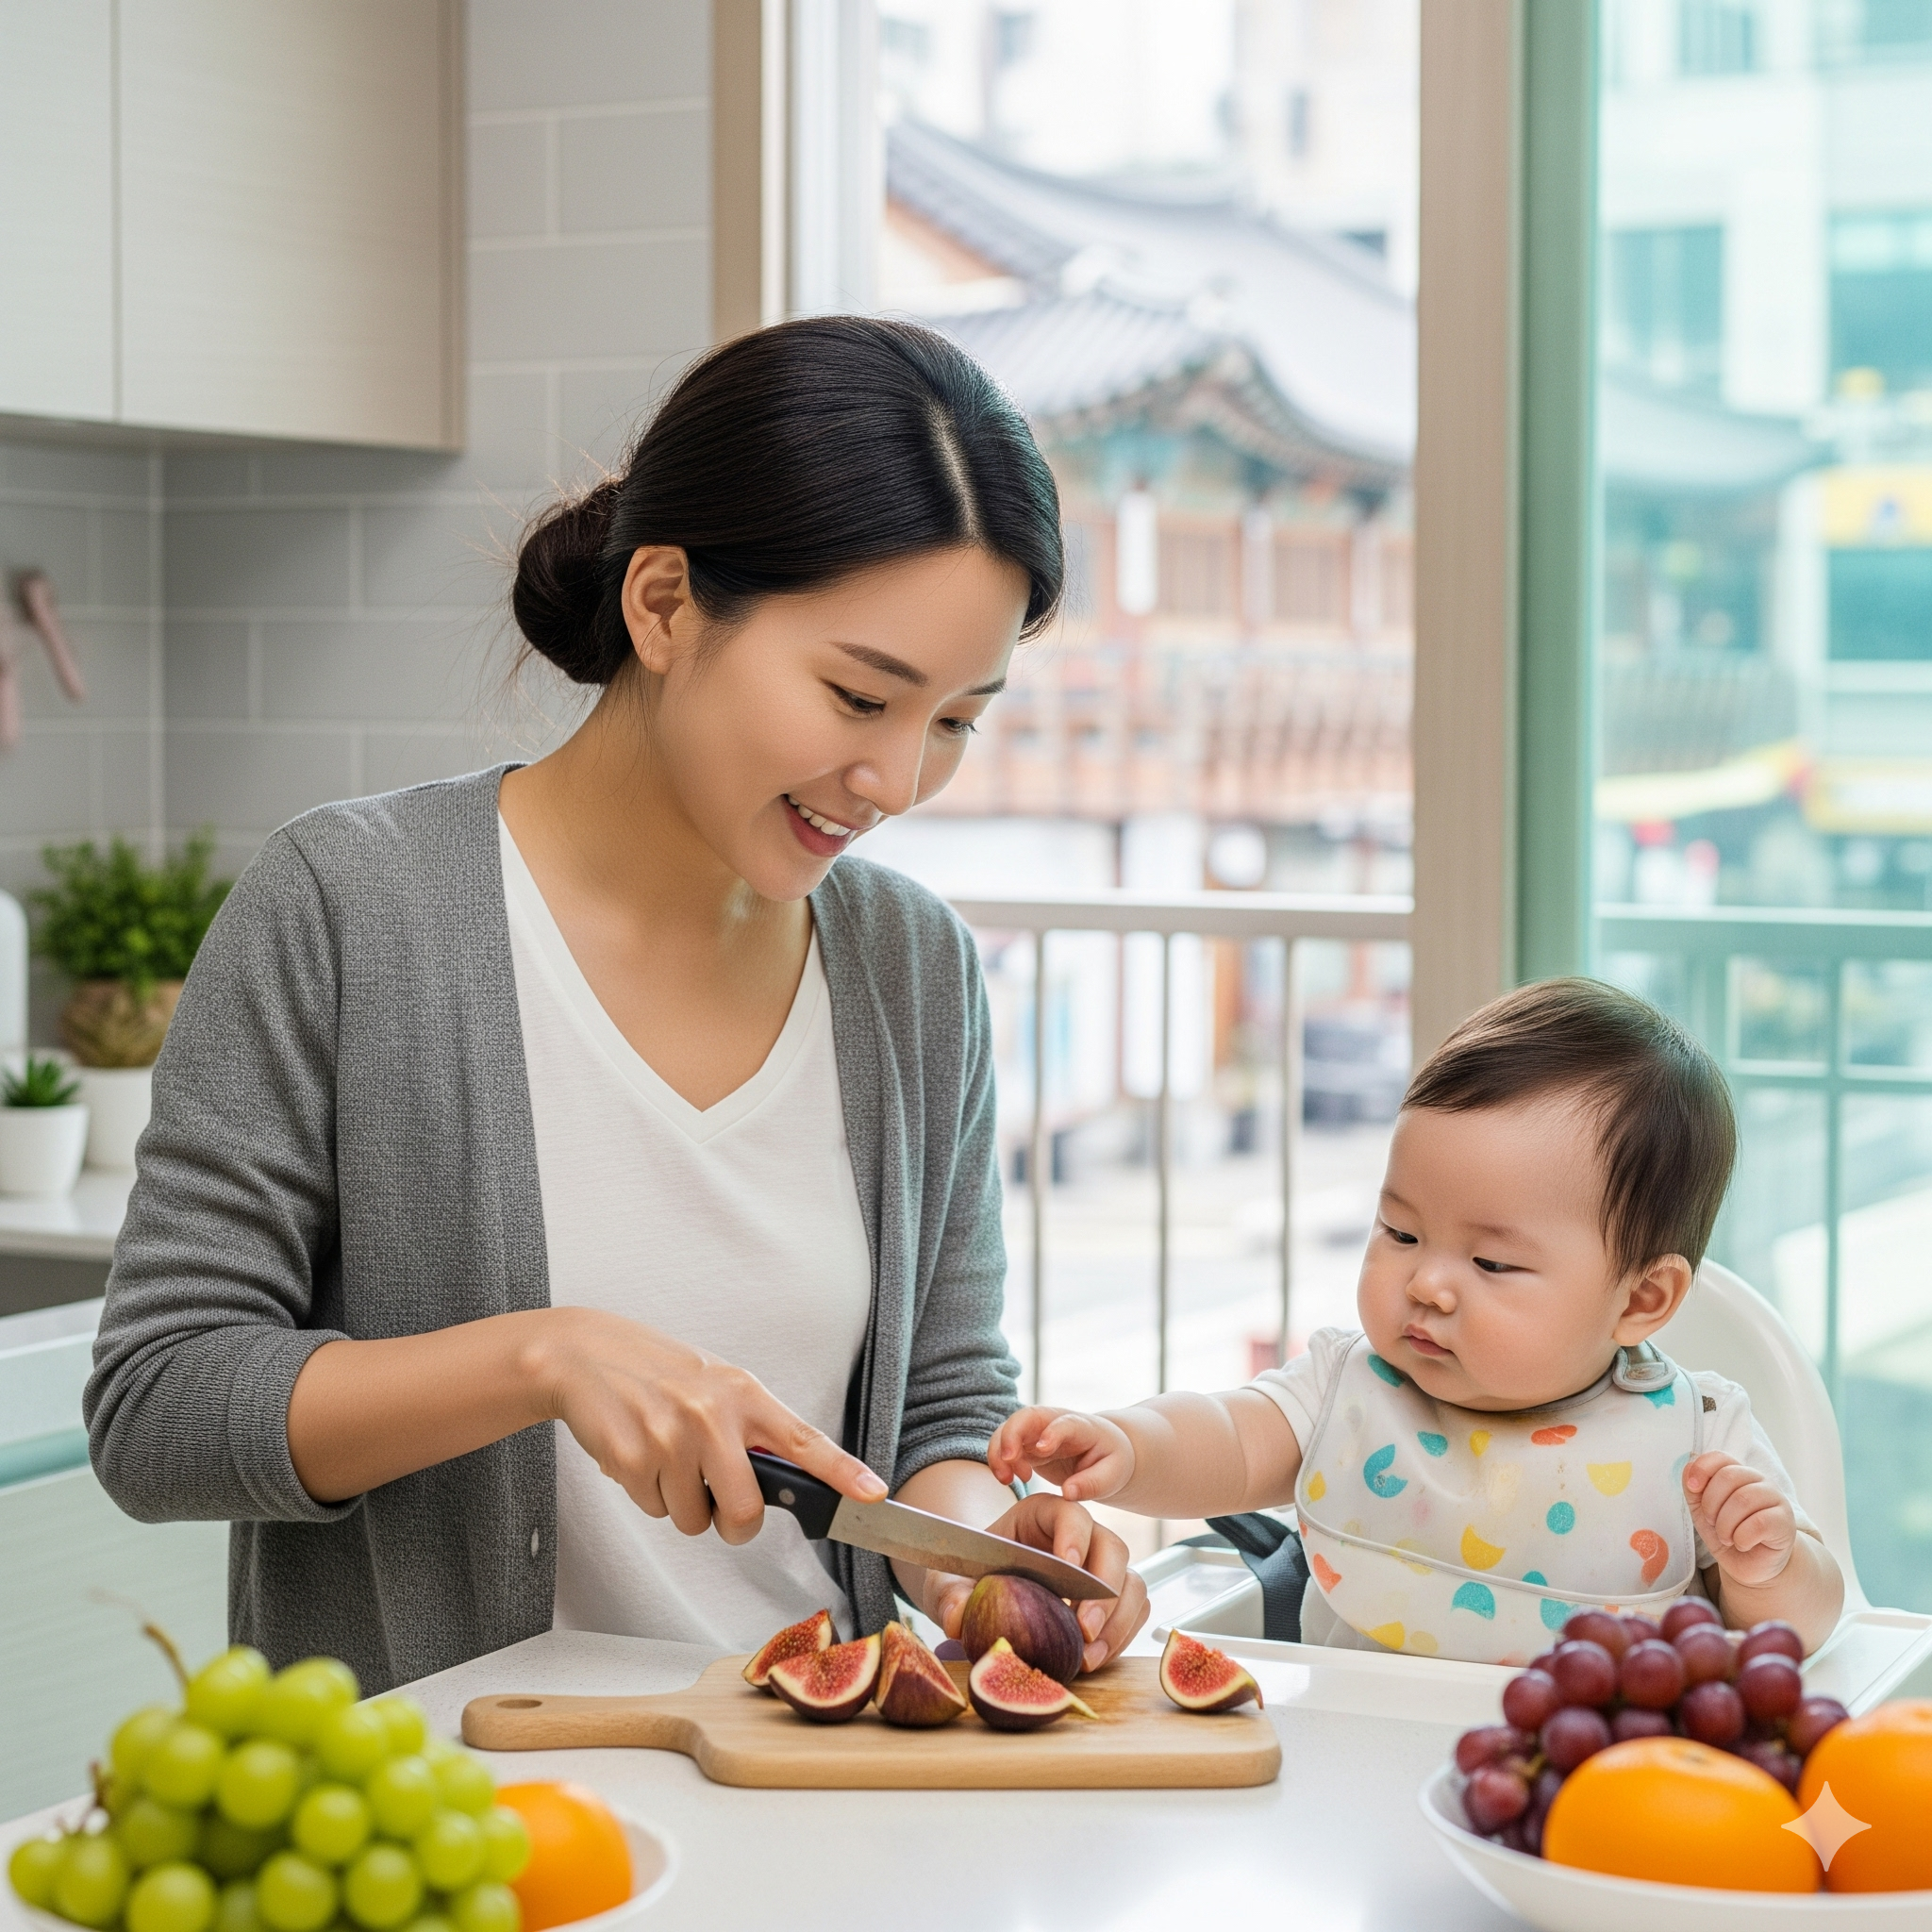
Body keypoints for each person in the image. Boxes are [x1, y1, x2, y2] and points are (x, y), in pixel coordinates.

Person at [86, 316, 1148, 1692]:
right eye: (857, 695)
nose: (894, 778)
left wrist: (984, 1558)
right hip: (457, 1833)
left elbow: (943, 1404)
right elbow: (157, 1410)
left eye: (954, 721)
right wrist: (541, 1357)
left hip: (812, 1804)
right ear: (663, 606)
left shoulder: (912, 968)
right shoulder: (350, 907)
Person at [991, 979, 1844, 1663]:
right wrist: (1130, 1445)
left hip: (1593, 1797)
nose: (1428, 1283)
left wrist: (1764, 1565)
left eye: (1492, 1264)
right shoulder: (1352, 1384)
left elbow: (1805, 1627)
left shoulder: (1697, 1435)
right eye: (1401, 1232)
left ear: (1641, 1300)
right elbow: (1230, 1437)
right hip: (1349, 1774)